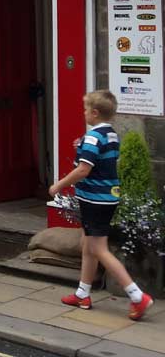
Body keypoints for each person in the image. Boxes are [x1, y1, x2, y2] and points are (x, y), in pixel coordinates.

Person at [51, 90, 154, 321]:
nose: (84, 113)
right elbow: (99, 159)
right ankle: (82, 294)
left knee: (99, 249)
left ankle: (137, 296)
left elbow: (83, 169)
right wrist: (83, 146)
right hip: (107, 198)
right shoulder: (110, 135)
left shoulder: (92, 138)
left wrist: (58, 186)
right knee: (89, 245)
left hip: (94, 200)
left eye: (86, 109)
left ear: (95, 113)